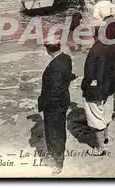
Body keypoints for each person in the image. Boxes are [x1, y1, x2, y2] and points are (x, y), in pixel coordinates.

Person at [81, 16, 115, 155]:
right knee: (106, 112)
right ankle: (106, 137)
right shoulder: (113, 46)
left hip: (97, 88)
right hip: (109, 87)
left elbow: (90, 72)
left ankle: (100, 149)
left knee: (95, 117)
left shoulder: (97, 48)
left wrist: (86, 86)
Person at [38, 41, 76, 174]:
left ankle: (58, 162)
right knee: (59, 129)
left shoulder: (54, 66)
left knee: (54, 132)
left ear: (48, 50)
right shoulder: (66, 58)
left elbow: (54, 89)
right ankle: (59, 157)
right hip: (64, 100)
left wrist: (46, 104)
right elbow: (67, 76)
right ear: (59, 47)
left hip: (54, 105)